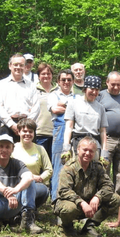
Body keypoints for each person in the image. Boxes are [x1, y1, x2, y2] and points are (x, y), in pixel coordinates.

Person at [54, 136, 120, 237]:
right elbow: (64, 191)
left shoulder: (97, 167)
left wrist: (98, 197)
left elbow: (108, 185)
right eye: (85, 150)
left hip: (90, 205)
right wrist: (82, 203)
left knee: (115, 199)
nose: (88, 153)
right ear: (78, 149)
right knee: (69, 209)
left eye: (91, 151)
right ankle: (66, 226)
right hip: (72, 203)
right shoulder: (68, 168)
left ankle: (90, 225)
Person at [0, 134, 42, 237]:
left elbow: (28, 176)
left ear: (12, 149)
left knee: (30, 181)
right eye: (1, 146)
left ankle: (28, 221)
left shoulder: (18, 164)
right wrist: (7, 193)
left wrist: (16, 190)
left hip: (13, 205)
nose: (4, 150)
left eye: (8, 147)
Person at [98, 71, 120, 195]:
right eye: (113, 84)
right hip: (107, 139)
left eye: (118, 84)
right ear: (107, 82)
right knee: (105, 169)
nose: (116, 87)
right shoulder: (100, 96)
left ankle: (118, 198)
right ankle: (106, 195)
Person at [62, 75, 109, 160]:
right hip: (78, 143)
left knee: (95, 168)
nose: (94, 92)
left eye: (97, 90)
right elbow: (69, 127)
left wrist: (104, 152)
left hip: (94, 144)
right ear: (85, 89)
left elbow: (103, 131)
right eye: (92, 89)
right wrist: (66, 147)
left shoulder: (101, 108)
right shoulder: (73, 103)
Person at [0, 53, 40, 140]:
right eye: (15, 64)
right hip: (7, 126)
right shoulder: (1, 84)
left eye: (21, 65)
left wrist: (26, 125)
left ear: (25, 67)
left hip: (27, 127)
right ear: (10, 66)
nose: (18, 67)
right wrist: (12, 125)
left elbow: (36, 106)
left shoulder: (31, 85)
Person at [48, 69, 76, 201]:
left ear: (73, 81)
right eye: (63, 79)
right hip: (60, 131)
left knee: (74, 165)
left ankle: (70, 199)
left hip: (75, 132)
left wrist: (63, 105)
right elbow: (55, 109)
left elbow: (78, 111)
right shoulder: (53, 95)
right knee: (59, 165)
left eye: (69, 80)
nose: (66, 82)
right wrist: (72, 107)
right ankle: (56, 199)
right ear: (58, 82)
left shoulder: (77, 97)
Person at [13, 118, 52, 209]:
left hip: (35, 184)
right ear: (19, 132)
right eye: (24, 131)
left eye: (30, 131)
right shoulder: (12, 148)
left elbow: (49, 170)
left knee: (41, 189)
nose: (27, 134)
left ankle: (28, 211)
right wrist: (29, 177)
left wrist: (40, 178)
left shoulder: (40, 149)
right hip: (16, 184)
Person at [34, 62, 56, 157]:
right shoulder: (33, 90)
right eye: (43, 74)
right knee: (40, 161)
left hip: (56, 133)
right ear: (39, 76)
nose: (46, 76)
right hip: (39, 132)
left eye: (48, 73)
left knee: (54, 162)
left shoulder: (58, 90)